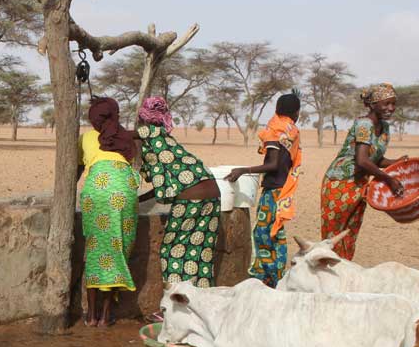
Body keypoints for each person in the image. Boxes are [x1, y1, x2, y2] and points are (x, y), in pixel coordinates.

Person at [135, 96, 221, 294]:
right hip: (212, 193)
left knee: (173, 250)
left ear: (144, 118)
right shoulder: (166, 139)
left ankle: (173, 305)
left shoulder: (150, 132)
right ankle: (202, 301)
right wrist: (139, 200)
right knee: (201, 252)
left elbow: (121, 135)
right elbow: (170, 183)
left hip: (190, 198)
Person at [319, 83, 406, 260]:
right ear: (372, 105)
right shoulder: (364, 124)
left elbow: (374, 159)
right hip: (340, 183)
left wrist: (396, 162)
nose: (391, 108)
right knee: (334, 235)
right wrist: (389, 179)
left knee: (350, 234)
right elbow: (362, 160)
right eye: (386, 104)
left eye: (393, 103)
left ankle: (343, 275)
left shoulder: (385, 127)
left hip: (359, 184)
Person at [226, 92, 304, 287]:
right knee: (274, 232)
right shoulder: (290, 130)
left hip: (274, 189)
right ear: (296, 113)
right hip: (283, 187)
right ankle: (276, 274)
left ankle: (268, 277)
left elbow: (273, 164)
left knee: (263, 232)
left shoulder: (275, 130)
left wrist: (244, 170)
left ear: (277, 109)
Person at [79, 97, 140, 327]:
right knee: (118, 249)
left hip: (96, 191)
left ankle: (91, 316)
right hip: (123, 191)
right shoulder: (125, 136)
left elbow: (76, 171)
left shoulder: (85, 137)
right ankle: (106, 316)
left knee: (95, 248)